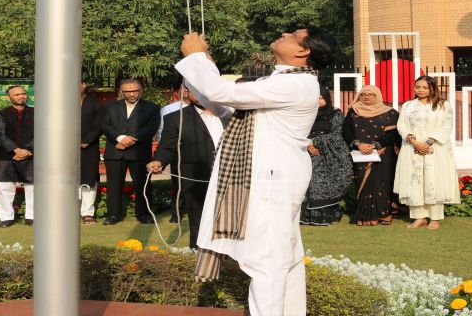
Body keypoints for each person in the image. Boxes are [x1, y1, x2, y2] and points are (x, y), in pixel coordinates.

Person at [177, 27, 337, 316]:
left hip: (272, 180)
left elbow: (223, 92)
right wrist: (203, 66)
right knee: (282, 257)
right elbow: (227, 107)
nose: (284, 33)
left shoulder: (296, 84)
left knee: (267, 261)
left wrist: (198, 58)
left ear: (303, 51)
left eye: (292, 34)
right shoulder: (282, 80)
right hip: (271, 177)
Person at [147, 91, 228, 248]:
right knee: (198, 218)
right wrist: (158, 160)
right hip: (196, 175)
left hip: (231, 172)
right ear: (186, 91)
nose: (198, 94)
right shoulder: (176, 117)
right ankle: (197, 251)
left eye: (202, 88)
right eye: (193, 90)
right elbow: (167, 146)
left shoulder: (229, 112)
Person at [394, 76, 460, 230]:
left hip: (435, 149)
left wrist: (428, 142)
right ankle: (419, 217)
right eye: (417, 87)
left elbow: (446, 125)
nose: (421, 90)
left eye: (424, 87)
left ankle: (435, 218)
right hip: (412, 148)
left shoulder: (443, 105)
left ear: (432, 88)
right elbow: (401, 126)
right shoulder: (408, 106)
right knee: (414, 181)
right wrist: (414, 142)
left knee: (433, 181)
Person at [100, 78, 160, 225]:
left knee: (142, 185)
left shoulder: (152, 107)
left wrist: (131, 139)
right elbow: (104, 125)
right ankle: (113, 215)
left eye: (135, 91)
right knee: (113, 185)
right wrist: (120, 138)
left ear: (141, 90)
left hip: (139, 153)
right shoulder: (110, 107)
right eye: (127, 91)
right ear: (121, 91)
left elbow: (151, 127)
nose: (131, 94)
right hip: (115, 152)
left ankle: (143, 214)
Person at [342, 85, 401, 226]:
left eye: (371, 94)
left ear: (378, 96)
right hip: (360, 153)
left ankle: (385, 214)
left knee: (383, 183)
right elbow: (346, 131)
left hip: (383, 153)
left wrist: (376, 145)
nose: (367, 96)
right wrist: (358, 144)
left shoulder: (390, 113)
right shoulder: (353, 112)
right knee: (363, 181)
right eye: (364, 94)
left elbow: (393, 134)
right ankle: (364, 215)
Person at [300, 87, 352, 226]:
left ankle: (325, 215)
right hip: (305, 153)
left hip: (328, 156)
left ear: (327, 99)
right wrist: (308, 144)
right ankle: (305, 217)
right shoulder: (304, 113)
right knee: (305, 184)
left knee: (324, 185)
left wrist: (315, 141)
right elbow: (297, 132)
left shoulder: (335, 114)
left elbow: (336, 135)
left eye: (320, 98)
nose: (317, 101)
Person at [0, 86, 35, 227]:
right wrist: (16, 150)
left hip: (32, 154)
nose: (21, 96)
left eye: (23, 93)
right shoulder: (2, 114)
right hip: (7, 155)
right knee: (5, 187)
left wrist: (28, 150)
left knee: (33, 186)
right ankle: (6, 218)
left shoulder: (37, 112)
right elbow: (0, 134)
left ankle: (32, 216)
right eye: (17, 94)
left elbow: (42, 132)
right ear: (9, 97)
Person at [158, 84, 189, 223]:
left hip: (200, 150)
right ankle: (177, 213)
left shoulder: (209, 108)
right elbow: (162, 132)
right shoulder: (169, 109)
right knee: (178, 183)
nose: (187, 91)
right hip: (177, 151)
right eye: (184, 88)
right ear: (179, 91)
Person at [79, 82, 103, 225]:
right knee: (65, 178)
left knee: (89, 178)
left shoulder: (95, 103)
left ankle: (87, 213)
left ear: (83, 85)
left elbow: (100, 124)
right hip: (63, 148)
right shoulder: (60, 101)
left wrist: (87, 141)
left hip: (88, 146)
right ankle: (67, 210)